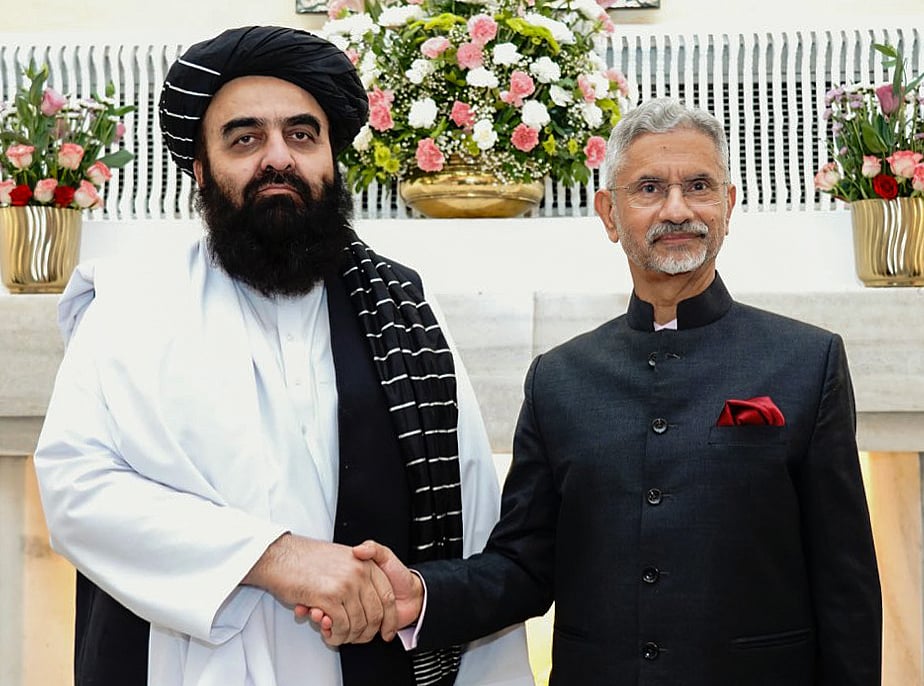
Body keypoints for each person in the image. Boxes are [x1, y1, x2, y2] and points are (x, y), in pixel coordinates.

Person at [33, 25, 532, 686]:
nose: (278, 158)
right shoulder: (132, 304)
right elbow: (76, 486)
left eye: (302, 135)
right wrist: (275, 558)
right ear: (200, 169)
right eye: (245, 138)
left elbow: (469, 517)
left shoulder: (404, 308)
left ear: (331, 158)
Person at [346, 97, 883, 685]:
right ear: (608, 213)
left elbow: (846, 585)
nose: (677, 209)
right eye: (648, 188)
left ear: (728, 205)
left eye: (699, 186)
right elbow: (524, 565)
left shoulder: (808, 360)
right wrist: (422, 595)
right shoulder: (559, 378)